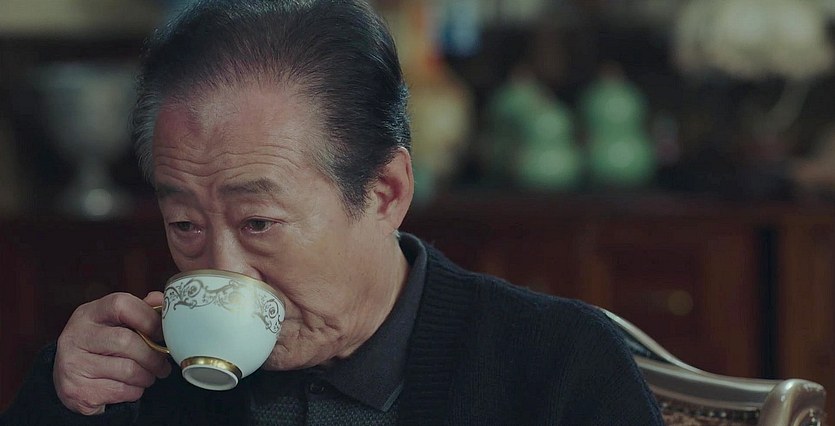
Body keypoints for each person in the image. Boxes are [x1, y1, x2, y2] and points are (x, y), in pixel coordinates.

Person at [1, 0, 664, 424]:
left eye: (258, 222)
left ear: (385, 193)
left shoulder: (554, 364)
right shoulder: (139, 379)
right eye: (185, 225)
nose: (222, 269)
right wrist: (60, 403)